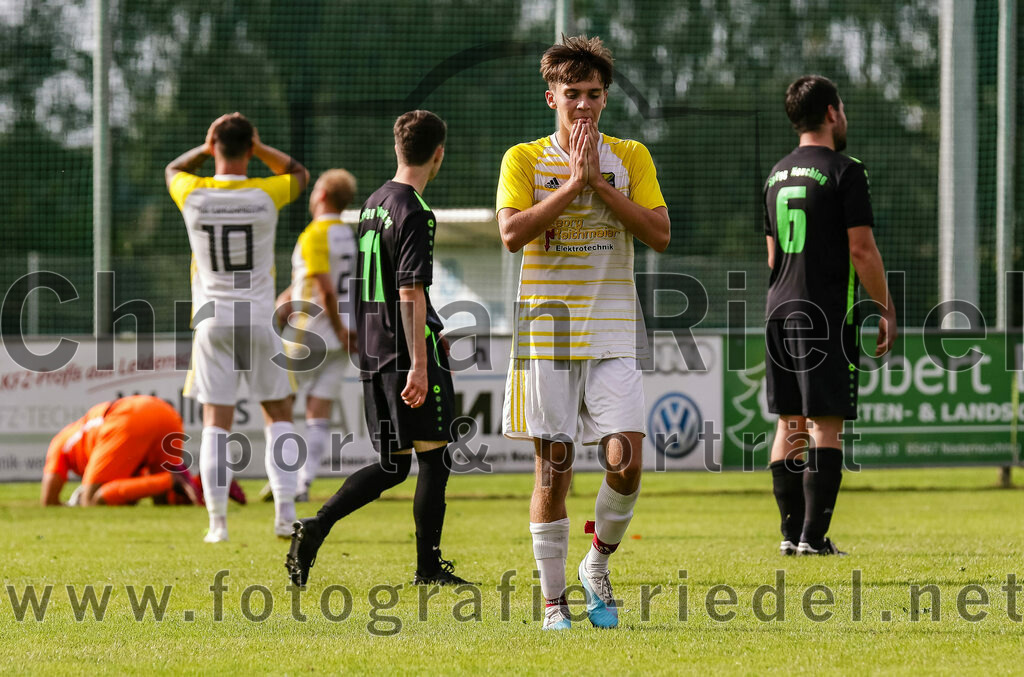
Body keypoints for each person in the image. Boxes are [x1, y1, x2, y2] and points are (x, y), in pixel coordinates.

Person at [496, 35, 670, 630]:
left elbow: (660, 233)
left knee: (627, 460)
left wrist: (600, 184)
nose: (585, 105)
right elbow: (513, 234)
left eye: (594, 93)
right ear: (551, 97)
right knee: (555, 468)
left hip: (614, 330)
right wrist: (575, 183)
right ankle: (552, 603)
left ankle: (596, 562)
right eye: (573, 94)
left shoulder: (632, 158)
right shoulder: (523, 158)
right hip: (547, 334)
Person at [287, 110, 475, 588]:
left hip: (372, 350)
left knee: (394, 465)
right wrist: (419, 363)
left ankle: (316, 526)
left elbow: (394, 287)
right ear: (439, 155)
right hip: (404, 353)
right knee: (434, 458)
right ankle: (428, 569)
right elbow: (409, 290)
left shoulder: (373, 204)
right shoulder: (415, 210)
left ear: (397, 148)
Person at [763, 75, 897, 557]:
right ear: (832, 112)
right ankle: (812, 539)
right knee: (825, 424)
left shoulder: (776, 174)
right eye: (842, 107)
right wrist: (883, 307)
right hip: (823, 313)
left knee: (788, 424)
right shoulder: (846, 170)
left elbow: (773, 256)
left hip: (778, 308)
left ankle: (790, 534)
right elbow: (861, 249)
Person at [166, 112, 310, 542]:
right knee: (278, 415)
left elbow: (173, 168)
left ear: (215, 147)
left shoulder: (193, 192)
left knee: (216, 421)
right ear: (250, 149)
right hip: (259, 316)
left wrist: (205, 146)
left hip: (213, 320)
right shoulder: (265, 193)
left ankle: (217, 525)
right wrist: (262, 147)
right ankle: (285, 516)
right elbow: (300, 172)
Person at [260, 169, 359, 503]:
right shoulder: (349, 234)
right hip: (345, 333)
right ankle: (302, 484)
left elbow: (324, 288)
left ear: (322, 195)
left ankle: (282, 481)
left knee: (279, 402)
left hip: (310, 332)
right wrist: (347, 330)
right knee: (320, 409)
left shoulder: (316, 233)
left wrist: (336, 326)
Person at [41, 396, 199, 507]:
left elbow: (48, 501)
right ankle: (204, 486)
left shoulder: (60, 441)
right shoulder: (84, 435)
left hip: (126, 417)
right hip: (168, 415)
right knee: (163, 500)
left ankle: (171, 479)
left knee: (90, 500)